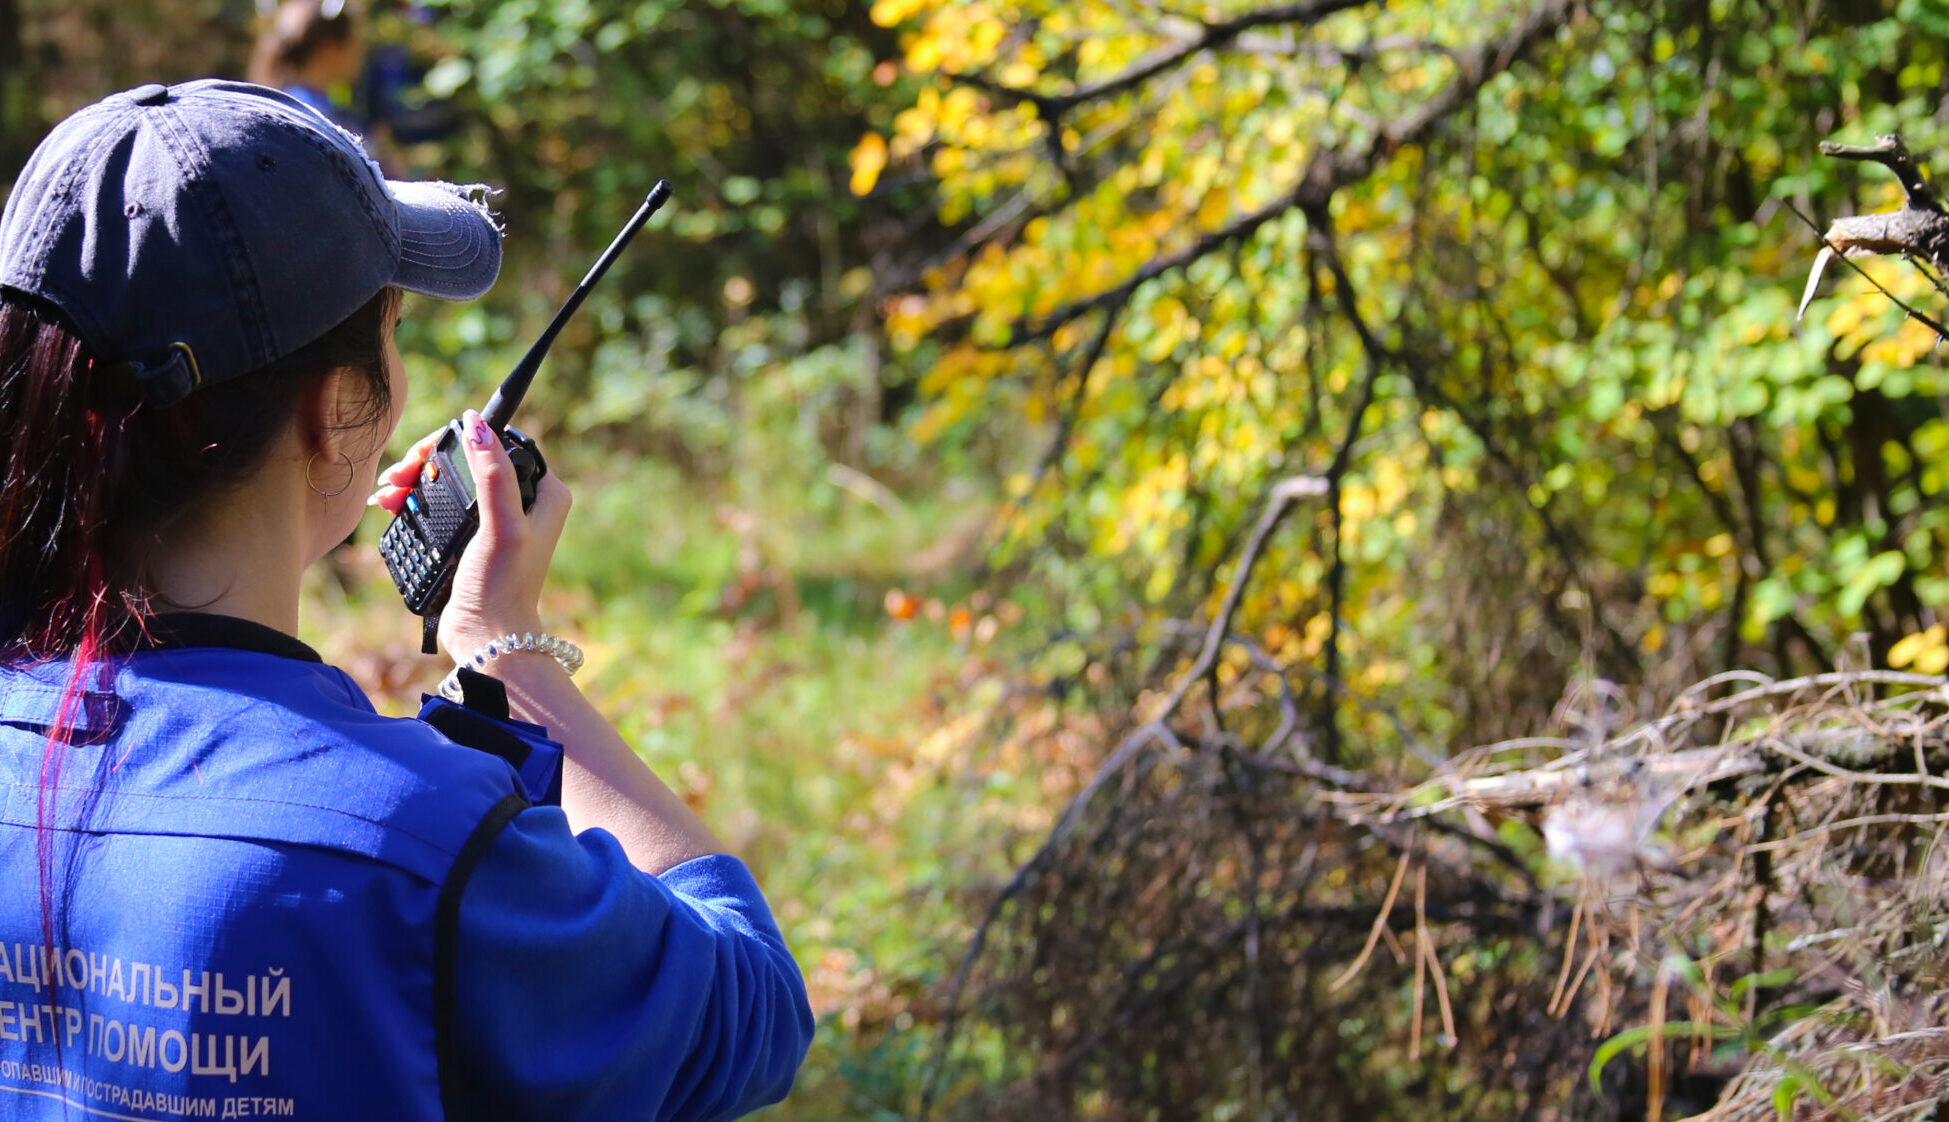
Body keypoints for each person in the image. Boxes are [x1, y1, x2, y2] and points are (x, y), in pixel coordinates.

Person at [0, 80, 813, 1119]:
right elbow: (751, 1011)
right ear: (337, 411)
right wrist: (501, 650)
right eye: (391, 327)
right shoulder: (420, 848)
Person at [247, 0, 367, 132]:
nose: (361, 50)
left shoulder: (293, 103)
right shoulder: (310, 115)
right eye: (355, 40)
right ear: (329, 49)